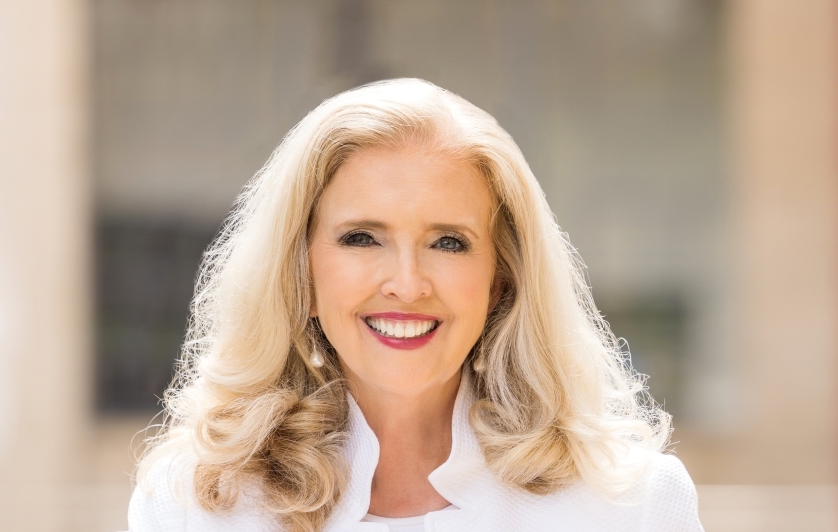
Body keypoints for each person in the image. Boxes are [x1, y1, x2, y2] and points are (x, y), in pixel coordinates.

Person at [127, 79, 704, 532]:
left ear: (500, 281)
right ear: (299, 275)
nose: (407, 283)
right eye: (362, 238)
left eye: (447, 242)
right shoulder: (195, 508)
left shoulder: (633, 507)